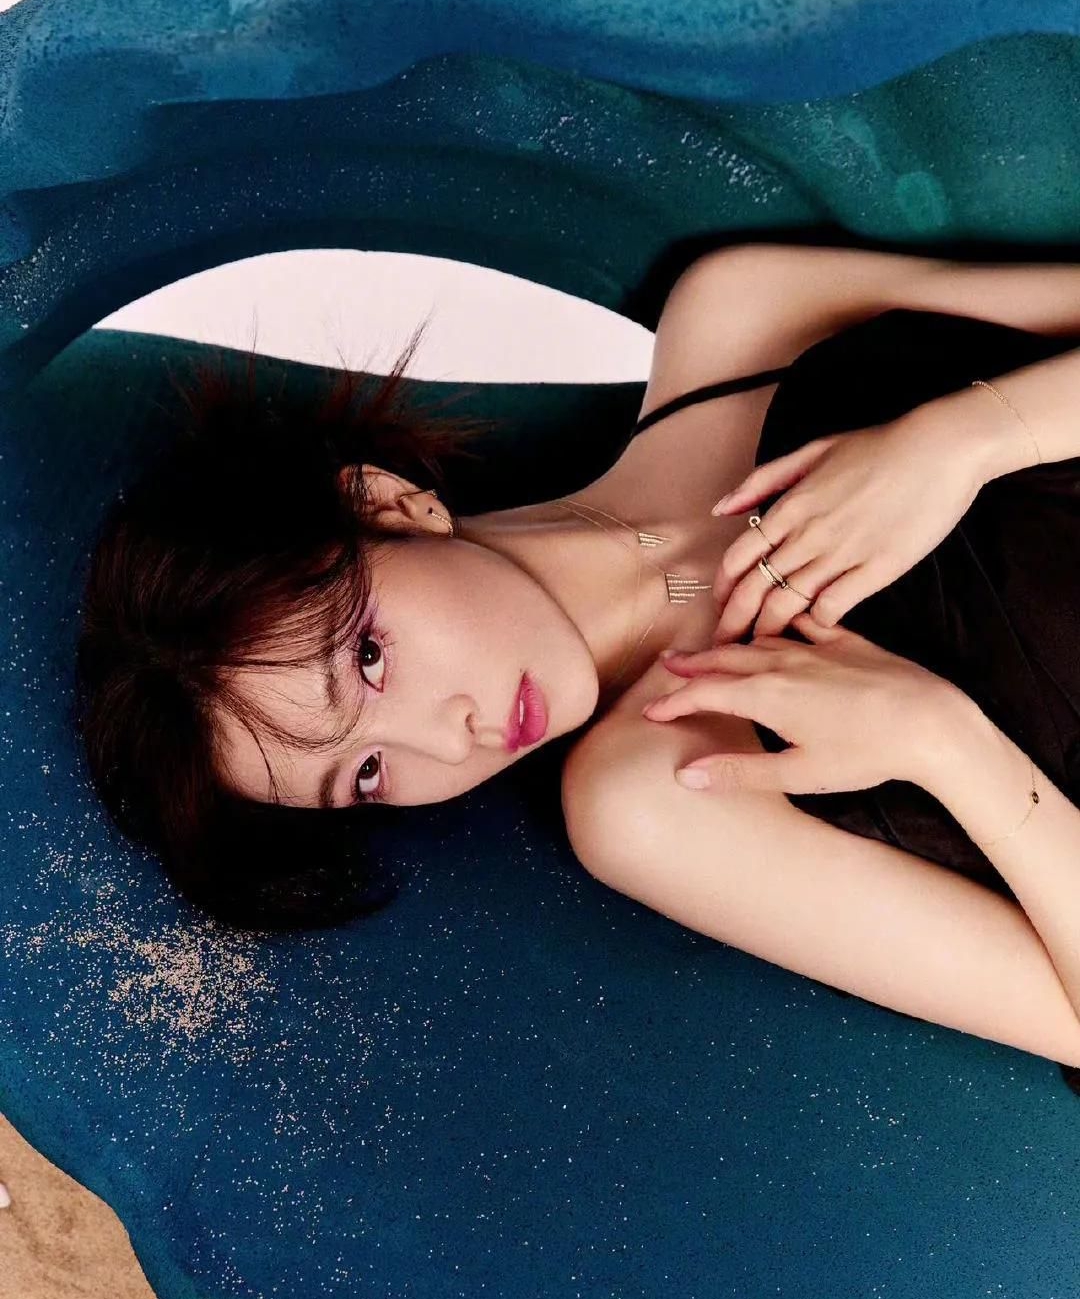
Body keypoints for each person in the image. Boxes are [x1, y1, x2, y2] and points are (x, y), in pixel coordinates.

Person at [74, 242, 1080, 1073]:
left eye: (369, 658)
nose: (452, 740)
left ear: (384, 503)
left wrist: (971, 437)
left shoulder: (741, 322)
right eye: (367, 773)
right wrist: (942, 741)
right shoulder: (656, 795)